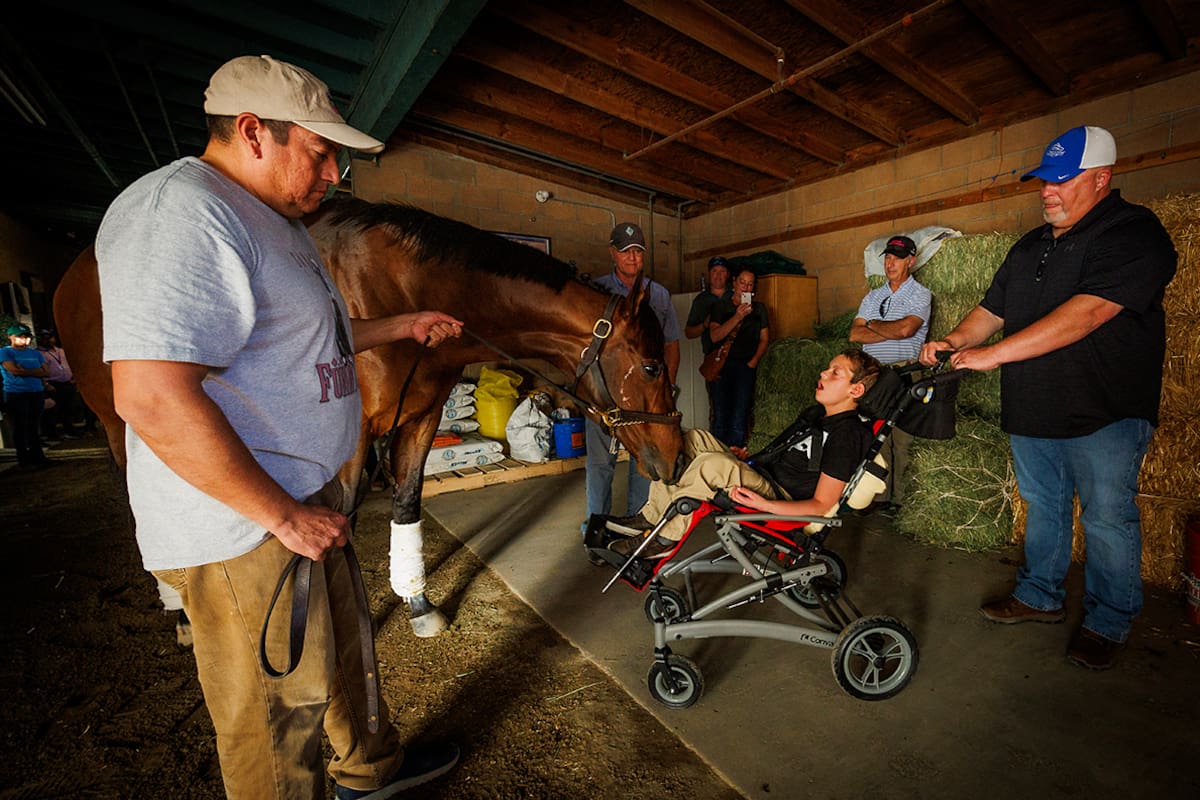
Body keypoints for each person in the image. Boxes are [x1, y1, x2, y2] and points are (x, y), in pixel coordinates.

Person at [96, 55, 465, 799]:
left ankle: (370, 773)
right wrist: (281, 514)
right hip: (245, 526)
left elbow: (303, 339)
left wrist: (402, 323)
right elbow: (152, 395)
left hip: (303, 501)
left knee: (338, 661)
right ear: (254, 131)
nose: (333, 173)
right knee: (274, 721)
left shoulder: (273, 218)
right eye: (319, 152)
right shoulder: (182, 214)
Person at [920, 125, 1177, 671]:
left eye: (1062, 179)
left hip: (1103, 409)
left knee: (1107, 517)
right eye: (1043, 179)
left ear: (1102, 178)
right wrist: (957, 341)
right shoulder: (1031, 244)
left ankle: (1109, 620)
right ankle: (1039, 595)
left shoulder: (1133, 233)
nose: (1047, 190)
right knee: (1045, 507)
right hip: (1034, 407)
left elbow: (1089, 312)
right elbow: (994, 309)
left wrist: (993, 356)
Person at [610, 349, 881, 557]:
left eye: (836, 373)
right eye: (827, 368)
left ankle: (665, 539)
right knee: (691, 438)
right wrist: (745, 460)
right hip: (762, 475)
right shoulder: (815, 415)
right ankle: (650, 515)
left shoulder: (847, 435)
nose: (823, 373)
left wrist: (765, 506)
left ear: (856, 390)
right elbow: (782, 451)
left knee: (711, 466)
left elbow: (821, 505)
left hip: (778, 497)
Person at [584, 222, 681, 531]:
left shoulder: (660, 295)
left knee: (645, 461)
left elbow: (671, 345)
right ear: (613, 253)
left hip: (643, 399)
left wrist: (666, 390)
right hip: (604, 397)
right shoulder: (596, 292)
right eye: (625, 252)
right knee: (600, 465)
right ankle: (596, 528)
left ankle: (635, 526)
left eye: (638, 251)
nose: (632, 258)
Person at [848, 234, 931, 510]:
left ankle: (902, 502)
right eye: (888, 257)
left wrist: (873, 325)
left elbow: (907, 330)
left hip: (906, 373)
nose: (890, 262)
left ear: (911, 261)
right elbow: (854, 334)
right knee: (876, 436)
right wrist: (887, 328)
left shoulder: (920, 294)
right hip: (874, 375)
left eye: (897, 257)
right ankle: (879, 498)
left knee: (903, 438)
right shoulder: (874, 296)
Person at [707, 269, 769, 447]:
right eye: (743, 282)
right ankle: (718, 455)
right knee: (720, 413)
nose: (746, 287)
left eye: (750, 284)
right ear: (734, 283)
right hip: (722, 366)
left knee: (740, 414)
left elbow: (765, 338)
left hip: (745, 366)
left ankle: (735, 458)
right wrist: (738, 316)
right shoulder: (721, 306)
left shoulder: (759, 309)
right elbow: (715, 336)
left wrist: (754, 361)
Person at [1, 323, 50, 468]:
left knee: (34, 425)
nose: (24, 339)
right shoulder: (5, 352)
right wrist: (36, 372)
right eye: (20, 337)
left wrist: (25, 371)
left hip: (36, 392)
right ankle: (23, 459)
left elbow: (47, 372)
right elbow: (14, 371)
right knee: (20, 426)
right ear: (10, 337)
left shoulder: (35, 353)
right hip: (16, 394)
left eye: (26, 337)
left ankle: (38, 456)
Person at [37, 328, 79, 441]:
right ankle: (53, 433)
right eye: (45, 338)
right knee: (54, 410)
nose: (49, 340)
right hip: (52, 384)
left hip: (67, 382)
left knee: (69, 408)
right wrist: (45, 384)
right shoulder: (39, 353)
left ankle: (69, 430)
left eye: (50, 337)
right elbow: (39, 370)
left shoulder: (61, 351)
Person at [684, 256, 731, 353]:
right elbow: (688, 333)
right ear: (709, 274)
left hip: (735, 354)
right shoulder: (701, 300)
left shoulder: (735, 295)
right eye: (714, 271)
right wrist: (704, 325)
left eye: (722, 271)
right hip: (712, 357)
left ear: (728, 274)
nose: (718, 275)